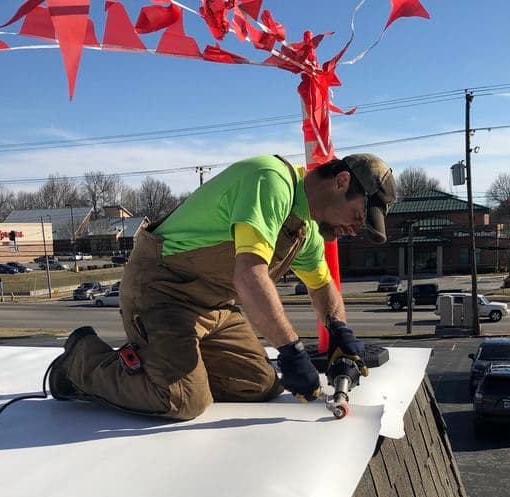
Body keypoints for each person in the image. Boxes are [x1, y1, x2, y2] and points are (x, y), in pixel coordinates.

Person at [49, 153, 396, 420]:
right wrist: (292, 351)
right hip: (160, 292)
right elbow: (250, 277)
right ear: (341, 181)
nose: (356, 229)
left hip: (213, 307)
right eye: (359, 216)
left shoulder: (305, 228)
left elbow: (322, 287)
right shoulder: (270, 181)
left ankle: (168, 360)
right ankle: (81, 360)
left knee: (260, 385)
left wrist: (339, 333)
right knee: (183, 399)